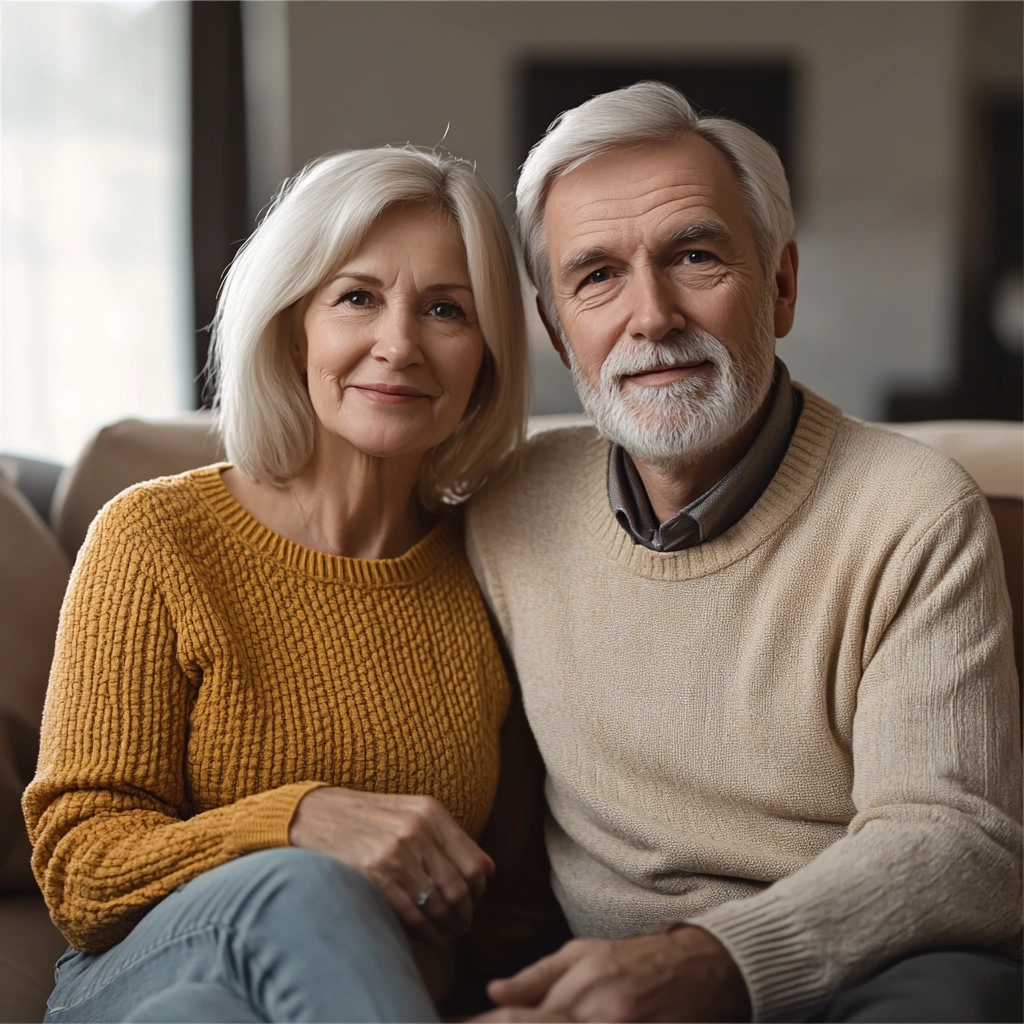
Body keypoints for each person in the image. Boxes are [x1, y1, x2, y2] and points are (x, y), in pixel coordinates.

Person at [466, 82, 1023, 1023]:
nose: (651, 316)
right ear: (557, 329)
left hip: (869, 970)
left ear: (782, 284)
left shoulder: (910, 510)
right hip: (599, 983)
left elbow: (959, 841)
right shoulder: (505, 503)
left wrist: (716, 962)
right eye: (596, 275)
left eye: (694, 255)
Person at [22, 146, 530, 1023]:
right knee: (299, 892)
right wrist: (296, 822)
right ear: (295, 325)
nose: (399, 344)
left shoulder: (498, 569)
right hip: (137, 969)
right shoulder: (156, 538)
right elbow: (79, 870)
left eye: (447, 309)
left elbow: (512, 899)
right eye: (357, 298)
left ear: (485, 356)